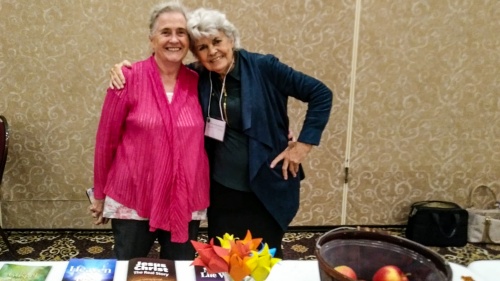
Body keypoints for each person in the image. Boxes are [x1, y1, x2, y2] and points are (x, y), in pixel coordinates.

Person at [109, 7, 332, 258]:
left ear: (231, 39)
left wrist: (303, 145)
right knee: (223, 261)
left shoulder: (264, 67)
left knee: (263, 261)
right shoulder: (199, 76)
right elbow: (162, 71)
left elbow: (320, 94)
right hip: (222, 191)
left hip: (265, 188)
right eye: (202, 47)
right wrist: (124, 69)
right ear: (196, 54)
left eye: (217, 41)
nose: (212, 51)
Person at [90, 2, 209, 260]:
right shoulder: (127, 77)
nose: (174, 39)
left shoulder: (200, 81)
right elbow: (105, 141)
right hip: (133, 195)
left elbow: (230, 109)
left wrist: (281, 131)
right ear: (152, 39)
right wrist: (99, 194)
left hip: (184, 198)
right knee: (128, 268)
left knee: (180, 271)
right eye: (166, 32)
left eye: (181, 32)